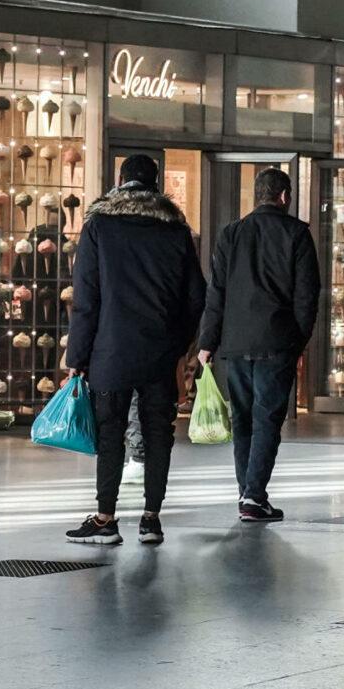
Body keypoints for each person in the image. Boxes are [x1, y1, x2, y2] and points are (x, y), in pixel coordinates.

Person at [65, 154, 204, 546]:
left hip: (110, 350)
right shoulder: (176, 230)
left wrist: (77, 357)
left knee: (109, 432)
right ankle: (151, 518)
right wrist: (177, 345)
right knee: (158, 433)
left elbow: (86, 299)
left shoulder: (99, 226)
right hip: (159, 352)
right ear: (156, 184)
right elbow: (196, 298)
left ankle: (105, 519)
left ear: (120, 180)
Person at [197, 166, 320, 521]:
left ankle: (247, 494)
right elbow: (306, 297)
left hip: (235, 343)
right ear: (284, 196)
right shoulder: (297, 234)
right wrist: (298, 342)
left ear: (258, 195)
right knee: (267, 419)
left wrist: (207, 341)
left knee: (243, 420)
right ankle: (253, 496)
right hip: (277, 342)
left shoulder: (231, 233)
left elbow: (216, 292)